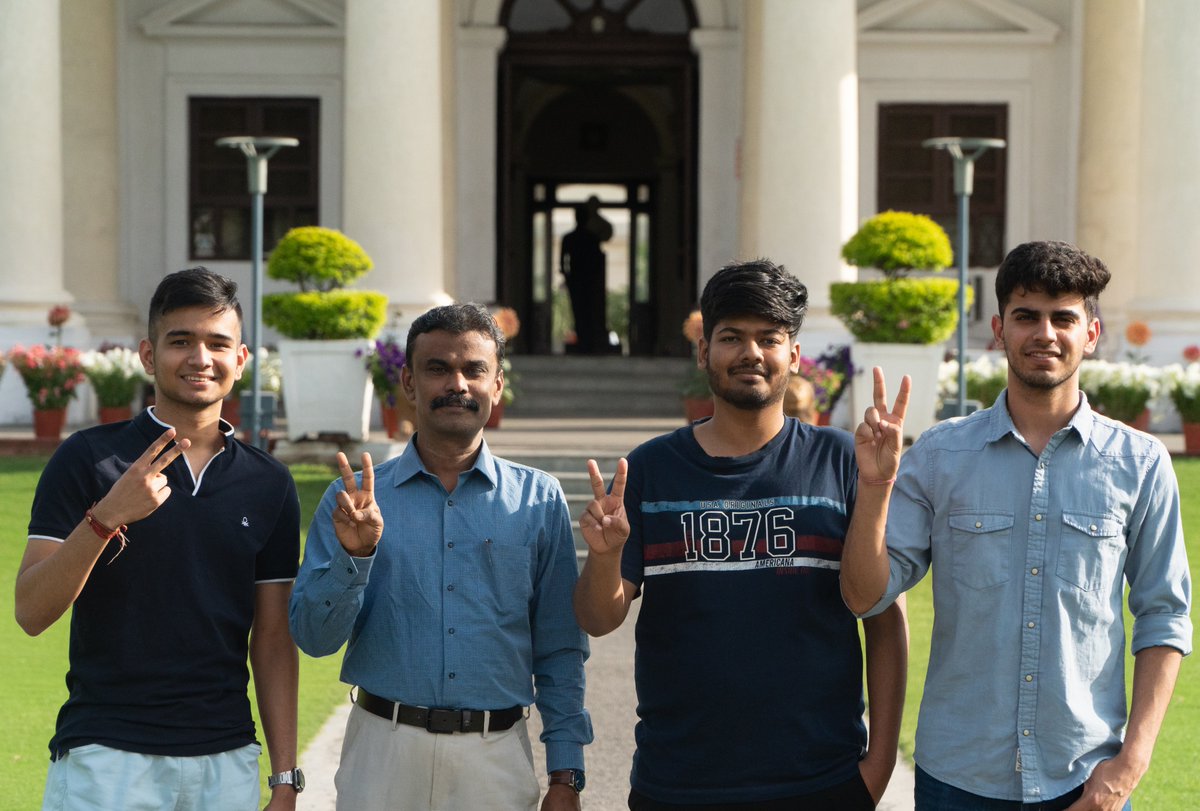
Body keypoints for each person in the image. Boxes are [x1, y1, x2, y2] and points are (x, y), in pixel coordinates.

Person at [841, 241, 1192, 810]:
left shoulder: (1140, 463)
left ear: (1092, 333)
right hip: (959, 778)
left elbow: (1165, 616)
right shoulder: (938, 455)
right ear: (1000, 330)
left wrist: (1131, 762)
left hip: (1085, 778)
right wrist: (876, 488)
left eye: (1064, 318)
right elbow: (863, 595)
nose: (1045, 334)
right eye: (1027, 317)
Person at [573, 259, 909, 809]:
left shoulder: (843, 461)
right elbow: (597, 618)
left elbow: (878, 610)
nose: (751, 353)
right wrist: (605, 558)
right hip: (679, 782)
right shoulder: (651, 469)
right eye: (731, 337)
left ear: (794, 355)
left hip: (820, 780)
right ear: (704, 351)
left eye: (769, 338)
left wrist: (881, 762)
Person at [15, 267, 302, 810]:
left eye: (218, 343)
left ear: (241, 361)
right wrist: (105, 518)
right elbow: (31, 612)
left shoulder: (269, 483)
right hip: (106, 758)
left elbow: (272, 637)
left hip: (226, 762)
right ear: (149, 356)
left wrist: (285, 777)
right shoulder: (88, 458)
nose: (200, 358)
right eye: (181, 341)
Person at [289, 303, 591, 811]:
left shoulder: (539, 499)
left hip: (494, 758)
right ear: (408, 382)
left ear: (497, 385)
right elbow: (314, 640)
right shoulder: (354, 502)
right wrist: (354, 557)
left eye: (474, 369)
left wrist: (565, 772)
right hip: (382, 754)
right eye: (437, 369)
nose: (458, 384)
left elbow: (560, 645)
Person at [560, 196, 612, 354]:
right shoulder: (583, 238)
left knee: (586, 311)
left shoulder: (583, 238)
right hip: (581, 280)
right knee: (582, 311)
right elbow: (563, 262)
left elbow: (564, 262)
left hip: (583, 280)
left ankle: (588, 343)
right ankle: (585, 342)